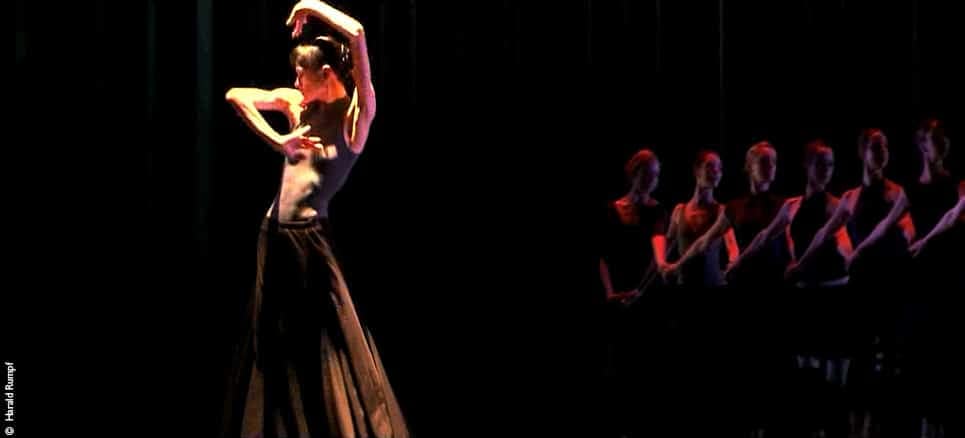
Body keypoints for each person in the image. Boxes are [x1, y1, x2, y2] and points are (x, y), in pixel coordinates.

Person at [220, 1, 407, 437]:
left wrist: (310, 7)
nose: (294, 83)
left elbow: (356, 34)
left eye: (301, 75)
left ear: (326, 74)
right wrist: (279, 140)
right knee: (272, 345)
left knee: (323, 345)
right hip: (273, 236)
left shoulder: (355, 119)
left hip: (309, 243)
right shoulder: (297, 107)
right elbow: (235, 96)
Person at [789, 129, 915, 436]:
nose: (882, 152)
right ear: (861, 152)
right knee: (858, 362)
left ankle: (881, 426)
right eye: (875, 147)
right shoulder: (851, 197)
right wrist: (802, 263)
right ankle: (854, 427)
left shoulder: (897, 192)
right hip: (859, 290)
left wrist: (900, 242)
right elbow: (829, 234)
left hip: (889, 287)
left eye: (885, 146)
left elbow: (909, 230)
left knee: (888, 362)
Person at [730, 140, 854, 436]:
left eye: (831, 165)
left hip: (832, 297)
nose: (826, 170)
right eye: (820, 164)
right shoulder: (792, 205)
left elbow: (844, 243)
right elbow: (767, 237)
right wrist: (738, 262)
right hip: (804, 299)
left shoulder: (836, 205)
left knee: (835, 375)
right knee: (805, 376)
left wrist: (847, 255)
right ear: (807, 166)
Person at [597, 148, 670, 437]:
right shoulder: (611, 209)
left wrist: (640, 291)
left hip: (645, 294)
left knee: (645, 363)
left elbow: (657, 250)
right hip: (617, 296)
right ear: (633, 173)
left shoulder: (657, 210)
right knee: (617, 362)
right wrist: (609, 293)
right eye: (647, 173)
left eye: (656, 175)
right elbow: (602, 256)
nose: (652, 180)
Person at [662, 149, 738, 288]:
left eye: (719, 168)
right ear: (697, 170)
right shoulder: (679, 210)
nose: (716, 171)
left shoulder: (721, 211)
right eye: (710, 165)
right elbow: (666, 248)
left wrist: (732, 263)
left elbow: (732, 246)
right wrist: (663, 268)